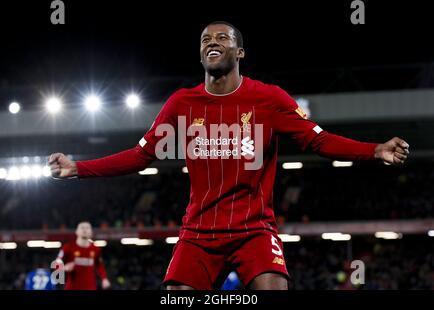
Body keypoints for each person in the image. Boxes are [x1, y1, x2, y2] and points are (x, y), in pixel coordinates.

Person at [48, 21, 409, 290]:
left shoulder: (268, 100)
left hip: (254, 231)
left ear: (239, 53)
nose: (213, 42)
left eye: (223, 38)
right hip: (198, 233)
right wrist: (78, 167)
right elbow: (141, 156)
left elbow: (319, 141)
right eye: (206, 39)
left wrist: (374, 150)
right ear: (201, 53)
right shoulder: (181, 104)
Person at [55, 221, 111, 290]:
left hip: (90, 287)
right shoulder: (68, 247)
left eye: (87, 228)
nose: (84, 230)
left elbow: (99, 265)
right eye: (82, 228)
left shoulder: (96, 249)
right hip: (72, 287)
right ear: (76, 232)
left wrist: (104, 278)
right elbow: (57, 262)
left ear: (91, 232)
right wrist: (64, 268)